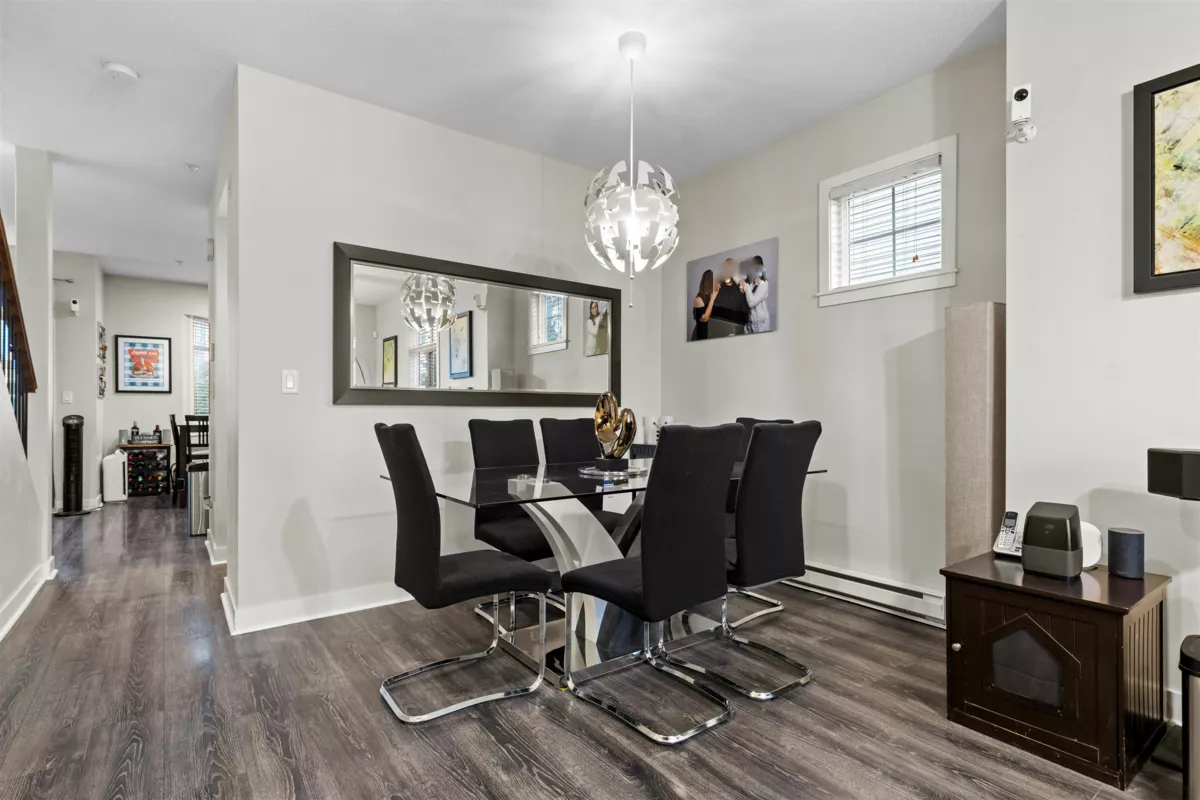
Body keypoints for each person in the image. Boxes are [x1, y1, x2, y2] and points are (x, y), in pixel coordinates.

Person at [709, 257, 750, 336]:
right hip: (717, 332)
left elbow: (745, 315)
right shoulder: (716, 287)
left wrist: (736, 330)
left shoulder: (740, 289)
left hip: (734, 333)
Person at [744, 255, 770, 334]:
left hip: (760, 322)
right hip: (751, 321)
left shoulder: (763, 283)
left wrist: (746, 286)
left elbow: (751, 303)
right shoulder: (752, 283)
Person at [691, 270, 718, 341]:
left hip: (709, 336)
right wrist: (712, 299)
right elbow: (705, 319)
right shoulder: (699, 299)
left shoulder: (711, 298)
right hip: (699, 337)